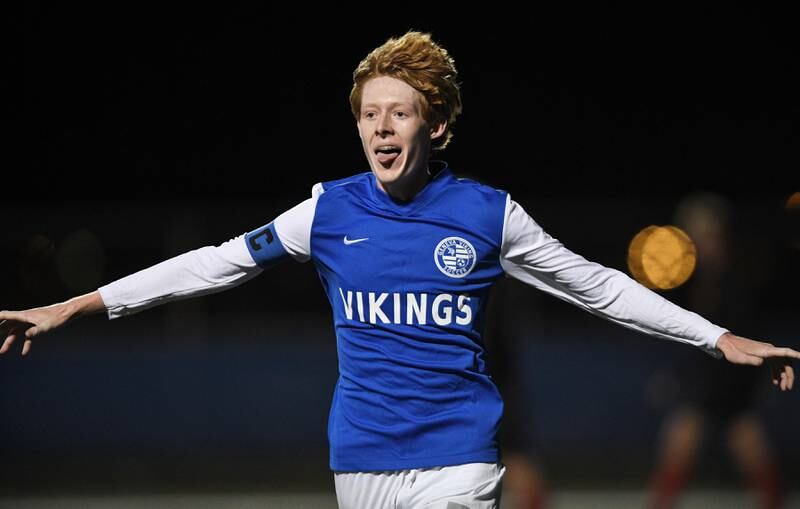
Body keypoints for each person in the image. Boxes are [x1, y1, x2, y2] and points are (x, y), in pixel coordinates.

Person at [1, 32, 797, 509]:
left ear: (437, 122)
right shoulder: (328, 212)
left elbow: (598, 284)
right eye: (368, 113)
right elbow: (211, 266)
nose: (381, 127)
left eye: (400, 111)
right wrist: (77, 303)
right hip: (361, 461)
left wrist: (715, 335)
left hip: (461, 459)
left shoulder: (489, 214)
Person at [647, 193, 785, 509]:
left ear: (715, 232)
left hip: (729, 382)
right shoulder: (702, 277)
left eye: (700, 231)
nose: (695, 239)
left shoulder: (736, 276)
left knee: (696, 441)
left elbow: (739, 333)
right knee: (698, 445)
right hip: (715, 382)